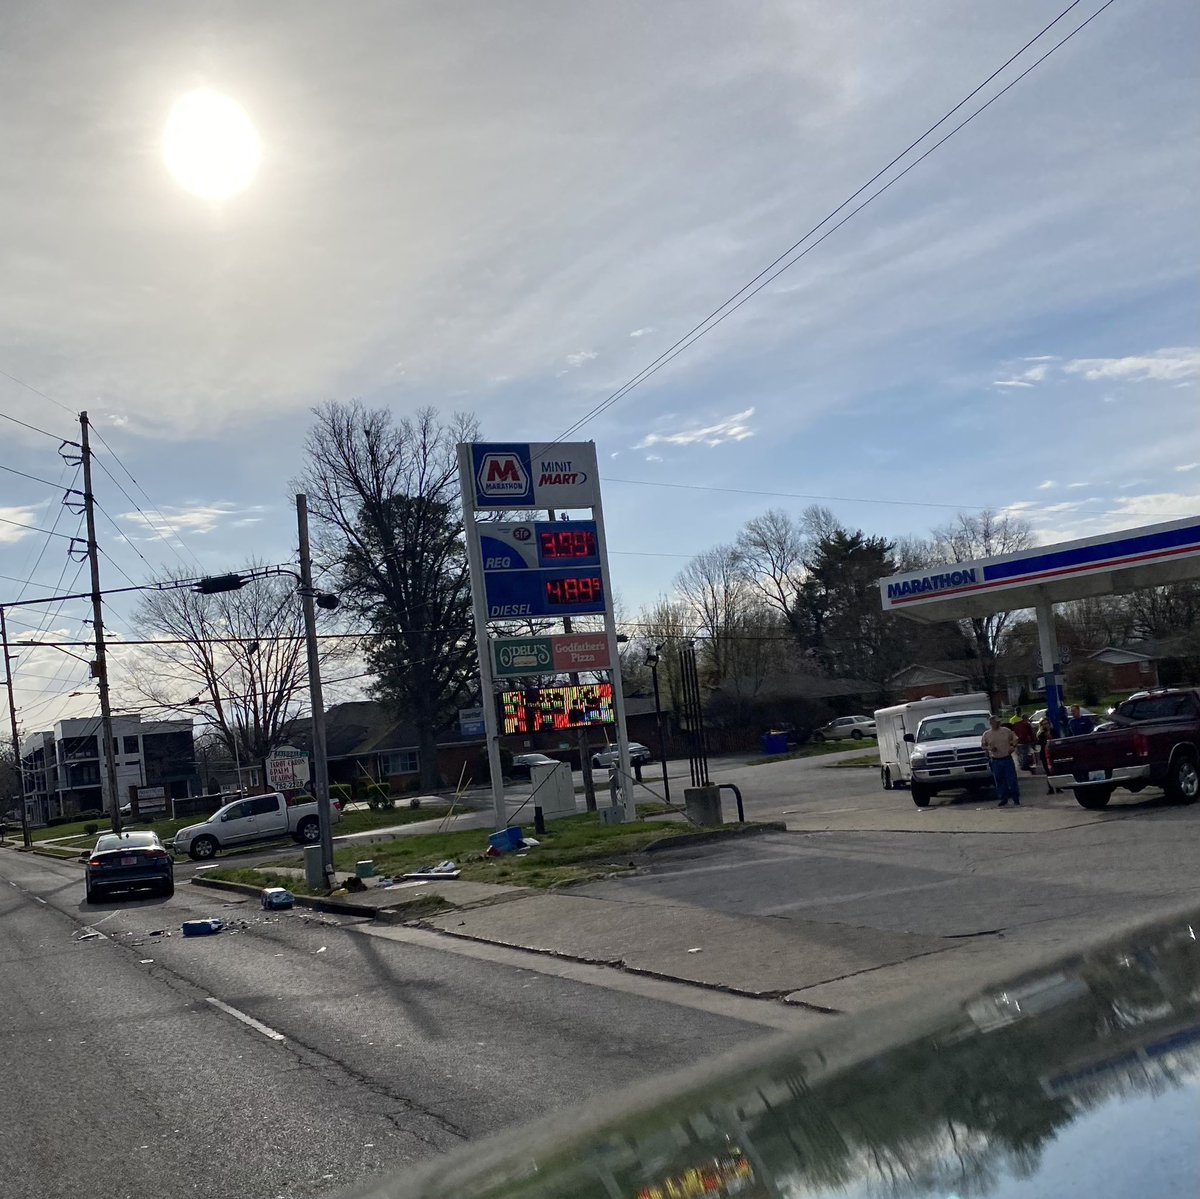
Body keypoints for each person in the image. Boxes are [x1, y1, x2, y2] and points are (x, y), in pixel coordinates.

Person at [982, 715, 1021, 807]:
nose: (998, 723)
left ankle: (1016, 798)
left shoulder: (1006, 731)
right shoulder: (986, 734)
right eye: (996, 722)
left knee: (1011, 780)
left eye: (999, 721)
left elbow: (1016, 739)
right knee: (999, 780)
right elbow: (983, 745)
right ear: (991, 723)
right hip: (995, 760)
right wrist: (989, 748)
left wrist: (1013, 746)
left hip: (1007, 758)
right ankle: (1003, 798)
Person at [1035, 717, 1056, 793]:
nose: (1045, 725)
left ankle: (1058, 787)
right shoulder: (1040, 734)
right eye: (1043, 724)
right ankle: (1050, 788)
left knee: (1055, 770)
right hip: (1045, 755)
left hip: (1053, 753)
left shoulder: (1053, 731)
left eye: (1046, 723)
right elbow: (1039, 744)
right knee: (1048, 772)